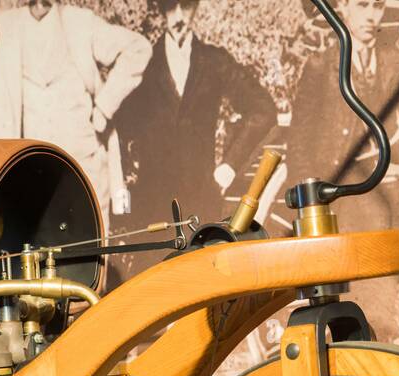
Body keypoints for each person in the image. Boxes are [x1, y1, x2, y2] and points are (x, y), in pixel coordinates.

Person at [115, 0, 277, 226]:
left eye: (187, 6)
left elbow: (263, 109)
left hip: (201, 204)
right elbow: (117, 125)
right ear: (161, 9)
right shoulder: (143, 63)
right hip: (152, 208)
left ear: (197, 7)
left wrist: (228, 167)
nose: (179, 17)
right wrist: (120, 192)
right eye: (171, 7)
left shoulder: (214, 61)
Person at [0, 0, 151, 213]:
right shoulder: (7, 25)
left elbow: (138, 49)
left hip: (84, 170)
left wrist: (104, 107)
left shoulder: (80, 23)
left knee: (90, 242)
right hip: (31, 172)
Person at [289, 0, 399, 186]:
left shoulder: (394, 62)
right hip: (337, 184)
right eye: (362, 5)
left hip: (387, 183)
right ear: (343, 5)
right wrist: (310, 193)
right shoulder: (321, 66)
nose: (370, 16)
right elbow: (299, 141)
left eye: (378, 6)